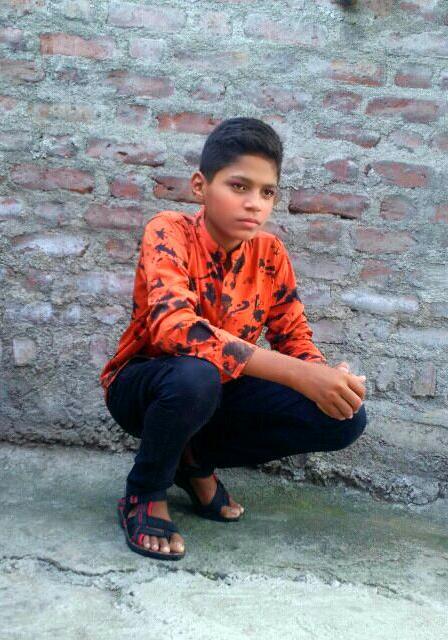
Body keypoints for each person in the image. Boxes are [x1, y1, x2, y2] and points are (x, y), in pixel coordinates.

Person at [100, 117, 367, 561]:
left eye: (267, 193)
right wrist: (298, 374)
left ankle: (193, 461)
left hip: (216, 392)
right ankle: (143, 492)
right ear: (200, 186)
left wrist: (323, 375)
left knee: (342, 417)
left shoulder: (270, 253)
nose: (254, 204)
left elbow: (292, 334)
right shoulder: (168, 230)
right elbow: (174, 327)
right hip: (146, 386)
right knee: (196, 377)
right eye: (239, 186)